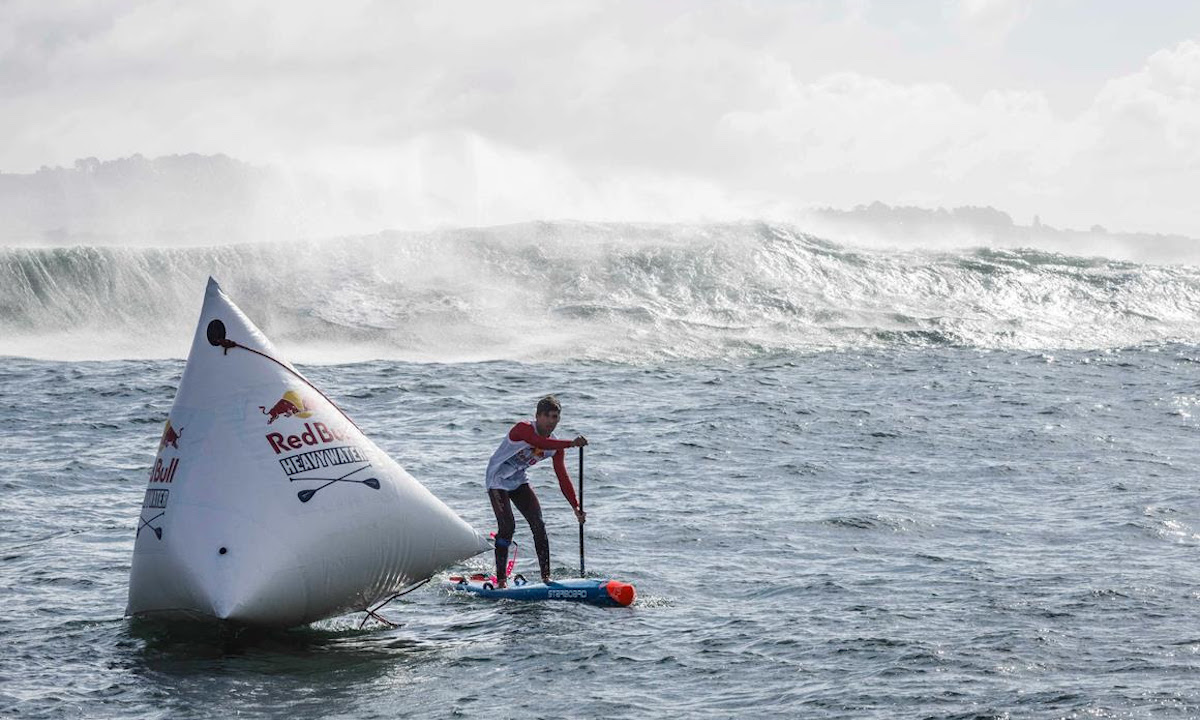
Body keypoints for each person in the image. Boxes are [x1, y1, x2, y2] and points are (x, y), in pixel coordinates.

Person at [485, 395, 587, 587]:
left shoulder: (556, 446)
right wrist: (571, 443)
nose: (551, 421)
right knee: (507, 527)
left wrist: (576, 506)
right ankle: (500, 581)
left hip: (518, 479)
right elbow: (539, 443)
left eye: (555, 417)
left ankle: (546, 578)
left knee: (539, 524)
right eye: (547, 416)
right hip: (497, 479)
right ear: (538, 416)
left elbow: (562, 477)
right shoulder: (522, 428)